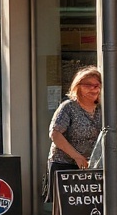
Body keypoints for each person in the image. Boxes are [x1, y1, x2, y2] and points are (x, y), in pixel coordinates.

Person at [44, 66, 102, 203]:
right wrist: (77, 156)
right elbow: (55, 134)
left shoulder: (102, 109)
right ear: (78, 86)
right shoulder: (68, 107)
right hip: (65, 166)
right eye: (88, 85)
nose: (94, 89)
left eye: (97, 85)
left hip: (91, 168)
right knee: (65, 213)